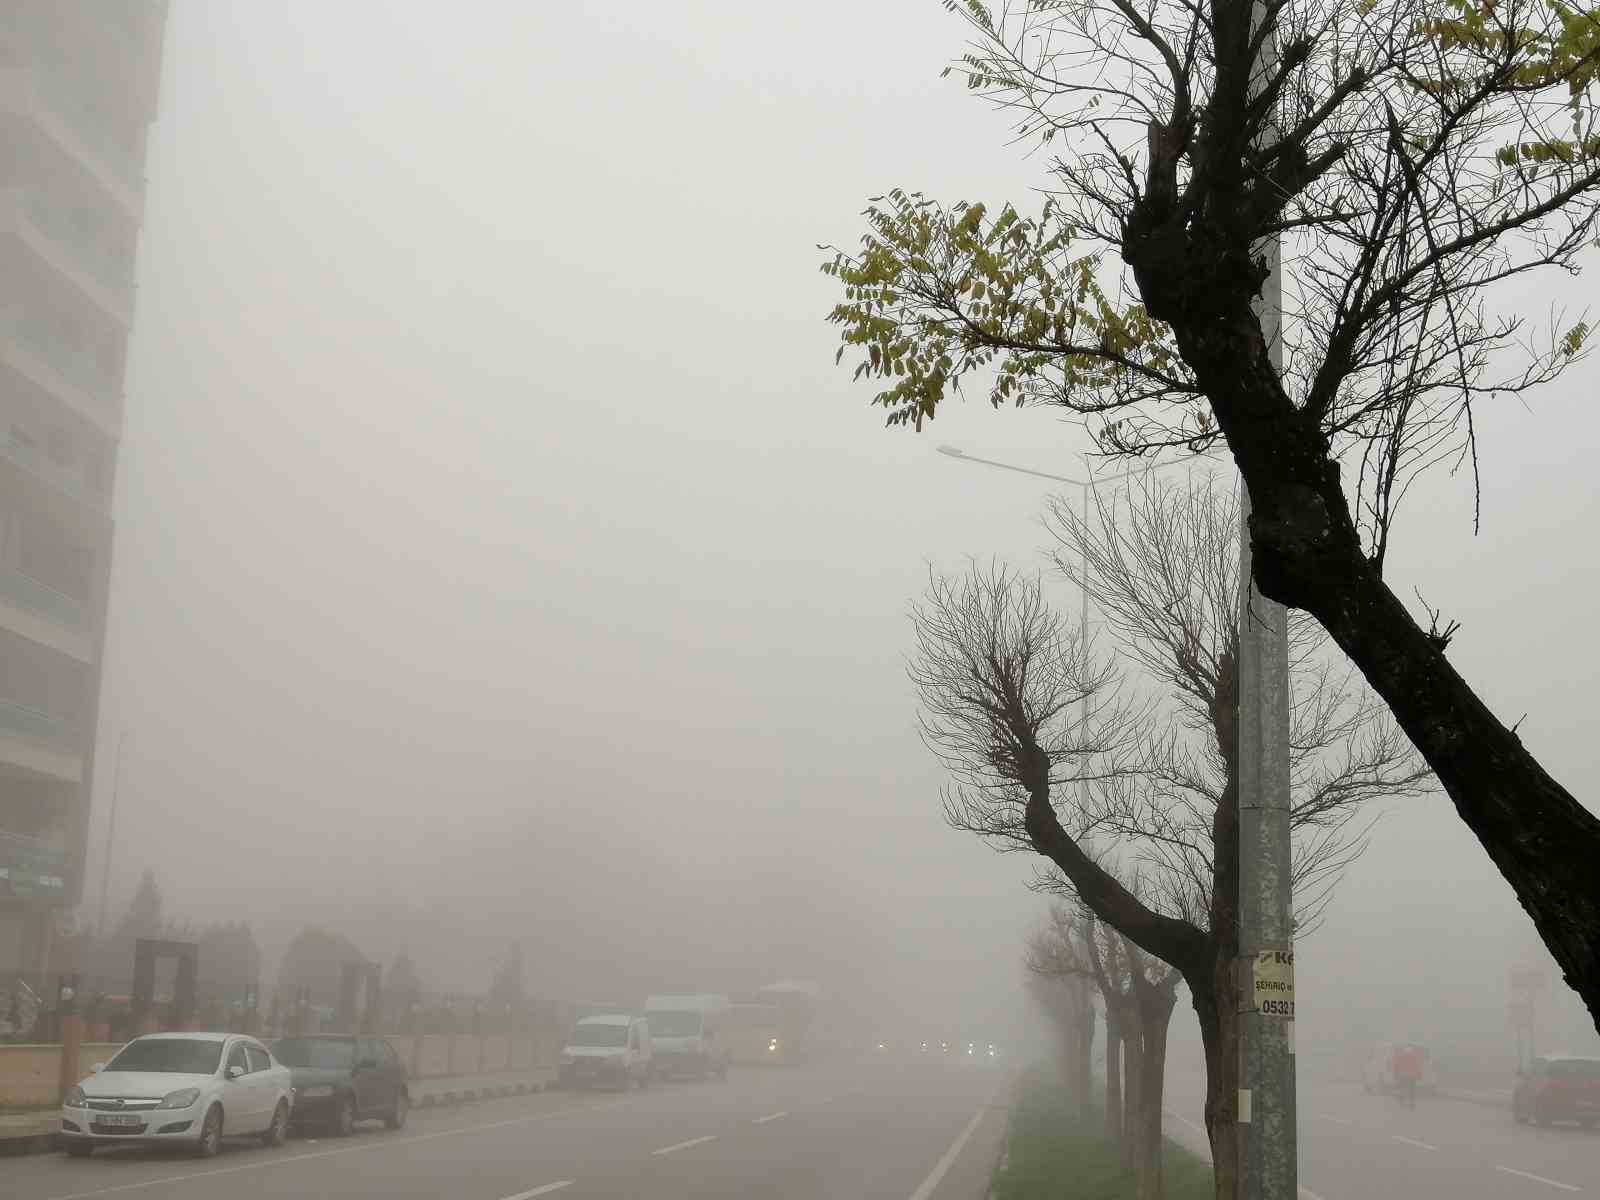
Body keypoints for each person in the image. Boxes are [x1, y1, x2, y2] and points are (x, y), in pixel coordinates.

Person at [1393, 1043, 1423, 1108]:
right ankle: (1411, 1102)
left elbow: (1396, 1065)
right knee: (1412, 1089)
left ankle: (1402, 1100)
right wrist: (1419, 1074)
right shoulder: (1415, 1056)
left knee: (1402, 1088)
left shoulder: (1400, 1056)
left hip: (1403, 1075)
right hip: (1412, 1075)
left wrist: (1396, 1073)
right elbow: (1417, 1066)